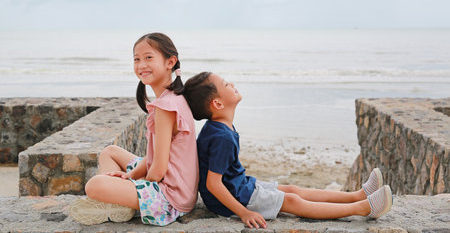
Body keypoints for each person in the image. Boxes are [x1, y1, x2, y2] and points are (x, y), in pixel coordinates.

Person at [183, 72, 393, 229]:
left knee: (292, 189)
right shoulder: (221, 137)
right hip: (234, 199)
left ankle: (358, 194)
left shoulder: (220, 128)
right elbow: (213, 184)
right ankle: (363, 208)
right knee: (292, 201)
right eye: (226, 84)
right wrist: (244, 213)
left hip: (240, 185)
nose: (232, 84)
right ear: (218, 103)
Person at [69, 33, 199, 226]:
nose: (141, 65)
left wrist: (133, 184)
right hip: (179, 191)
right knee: (110, 152)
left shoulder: (166, 107)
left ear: (170, 62)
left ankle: (118, 202)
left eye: (148, 58)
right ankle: (116, 202)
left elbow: (159, 169)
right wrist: (130, 175)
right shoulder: (172, 98)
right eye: (136, 59)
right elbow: (155, 156)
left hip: (170, 198)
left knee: (94, 185)